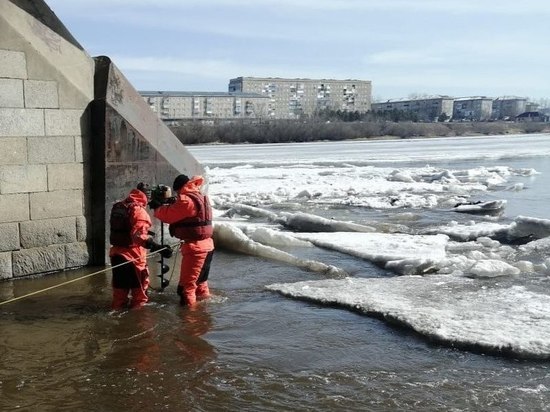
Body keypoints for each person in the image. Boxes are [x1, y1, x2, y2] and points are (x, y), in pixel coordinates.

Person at [150, 174, 214, 306]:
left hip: (195, 248)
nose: (177, 194)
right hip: (207, 245)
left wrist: (157, 207)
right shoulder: (201, 196)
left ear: (180, 188)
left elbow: (169, 215)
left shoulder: (186, 200)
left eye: (177, 191)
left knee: (186, 288)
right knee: (200, 283)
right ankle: (204, 312)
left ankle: (190, 320)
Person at [109, 185, 172, 310]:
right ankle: (138, 324)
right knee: (139, 296)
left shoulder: (120, 206)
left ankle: (116, 317)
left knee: (119, 295)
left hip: (116, 255)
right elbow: (138, 235)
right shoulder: (139, 211)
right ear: (147, 196)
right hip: (133, 258)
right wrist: (156, 246)